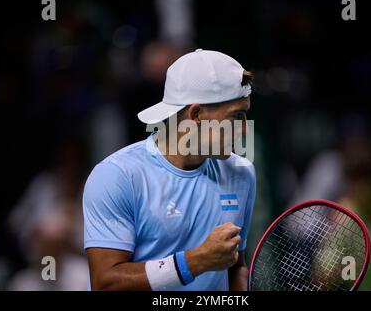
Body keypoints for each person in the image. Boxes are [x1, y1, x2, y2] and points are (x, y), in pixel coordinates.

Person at [83, 49, 256, 291]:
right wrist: (195, 261)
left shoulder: (242, 173)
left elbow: (235, 265)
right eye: (236, 116)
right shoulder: (117, 176)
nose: (244, 130)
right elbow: (105, 284)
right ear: (195, 114)